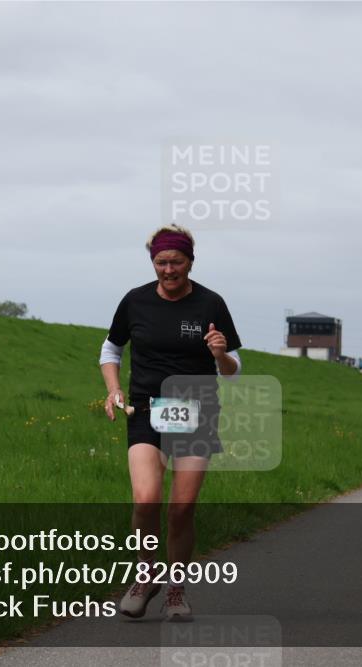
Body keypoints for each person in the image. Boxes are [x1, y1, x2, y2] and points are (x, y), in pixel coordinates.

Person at [100, 224, 242, 622]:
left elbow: (233, 370)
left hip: (195, 411)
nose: (168, 269)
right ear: (153, 262)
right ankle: (146, 575)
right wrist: (114, 390)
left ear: (190, 262)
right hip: (146, 410)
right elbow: (111, 348)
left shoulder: (211, 304)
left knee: (181, 509)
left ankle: (176, 590)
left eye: (176, 262)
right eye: (161, 262)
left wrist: (220, 356)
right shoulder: (135, 301)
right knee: (146, 499)